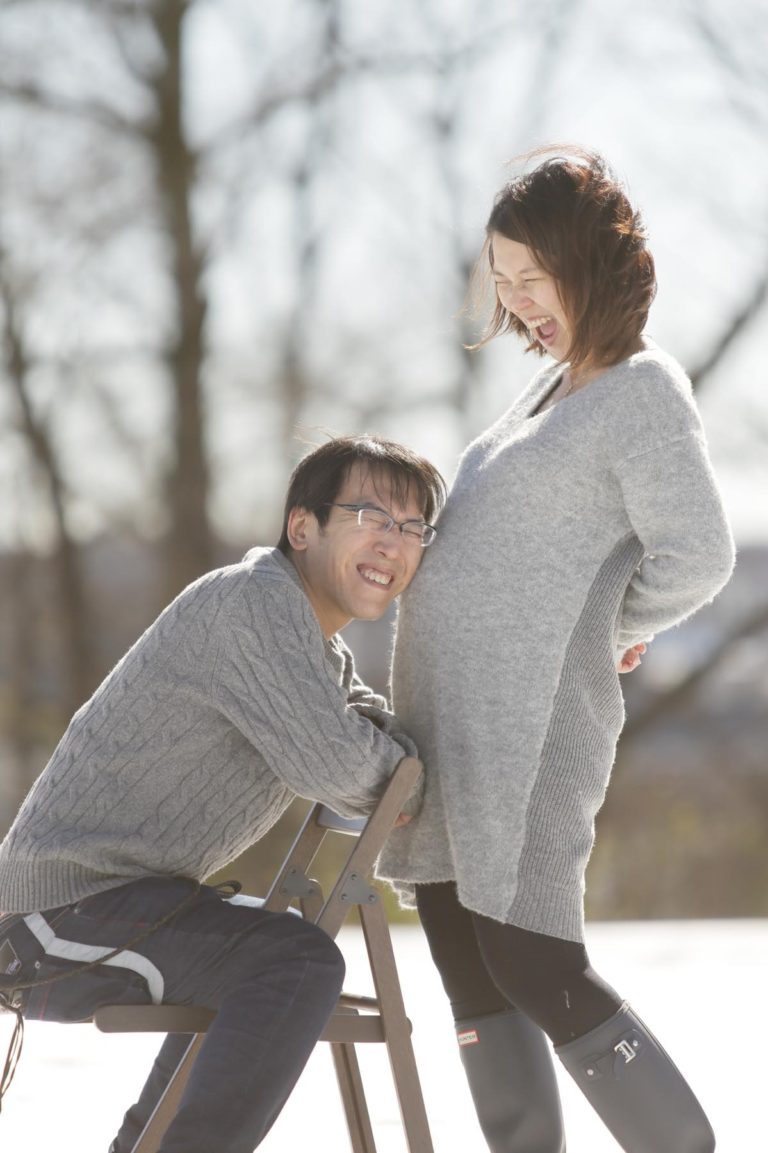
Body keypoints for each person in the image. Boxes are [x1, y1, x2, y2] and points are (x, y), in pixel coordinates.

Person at [377, 149, 735, 1153]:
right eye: (502, 282)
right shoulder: (545, 392)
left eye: (531, 276)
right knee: (467, 962)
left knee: (532, 956)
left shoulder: (640, 390)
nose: (517, 302)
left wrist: (605, 629)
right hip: (457, 733)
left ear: (588, 261)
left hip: (529, 735)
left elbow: (700, 553)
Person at [0, 434, 445, 1153]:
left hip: (111, 903)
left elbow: (374, 739)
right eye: (370, 515)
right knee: (292, 960)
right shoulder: (252, 606)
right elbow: (353, 770)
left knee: (266, 949)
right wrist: (402, 766)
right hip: (52, 918)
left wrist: (398, 762)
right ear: (302, 526)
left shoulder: (311, 643)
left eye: (413, 526)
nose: (392, 542)